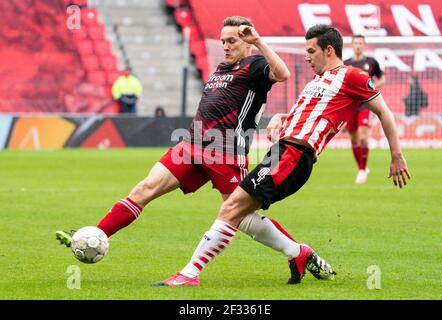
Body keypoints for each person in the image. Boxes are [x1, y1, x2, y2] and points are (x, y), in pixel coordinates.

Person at [56, 16, 324, 285]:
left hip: (226, 151)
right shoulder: (221, 68)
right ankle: (95, 235)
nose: (226, 46)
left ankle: (296, 251)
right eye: (223, 41)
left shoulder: (255, 65)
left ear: (247, 43)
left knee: (240, 217)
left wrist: (258, 42)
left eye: (232, 41)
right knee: (144, 189)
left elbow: (283, 74)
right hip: (191, 145)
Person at [155, 24, 410, 287]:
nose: (307, 57)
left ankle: (189, 274)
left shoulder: (352, 76)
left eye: (311, 51)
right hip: (282, 152)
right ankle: (298, 253)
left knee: (231, 209)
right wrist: (282, 118)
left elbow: (384, 111)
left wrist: (397, 154)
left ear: (329, 50)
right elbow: (310, 114)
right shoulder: (318, 80)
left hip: (294, 156)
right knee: (237, 212)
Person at [344, 35, 385, 184]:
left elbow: (382, 79)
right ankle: (361, 167)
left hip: (365, 104)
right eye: (355, 43)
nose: (358, 46)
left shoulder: (371, 62)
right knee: (354, 139)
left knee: (363, 137)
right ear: (352, 45)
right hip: (350, 106)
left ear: (364, 45)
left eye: (360, 43)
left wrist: (371, 89)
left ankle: (362, 169)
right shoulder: (346, 64)